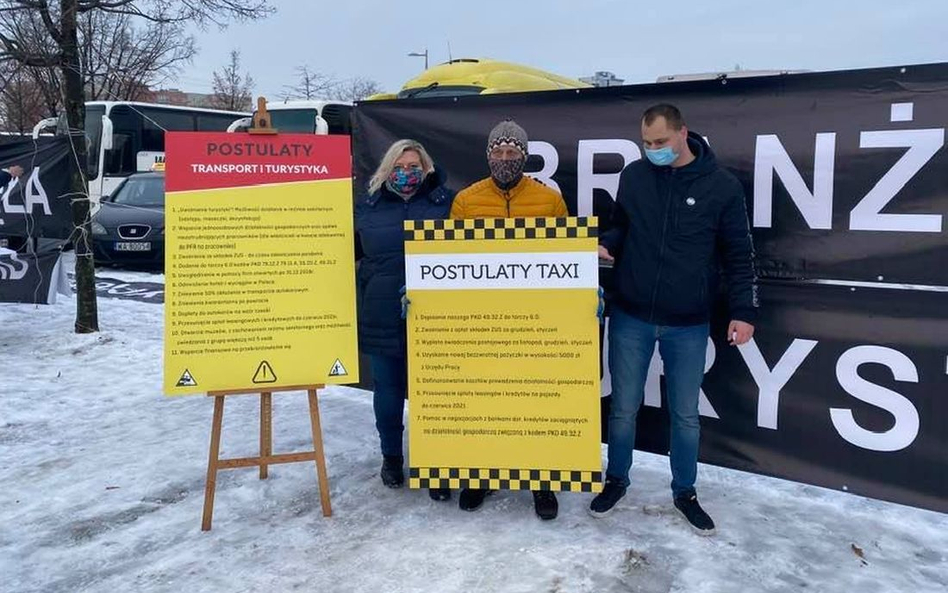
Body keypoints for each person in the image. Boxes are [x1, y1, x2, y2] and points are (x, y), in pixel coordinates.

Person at [590, 104, 758, 535]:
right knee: (623, 408)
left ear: (684, 134)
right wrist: (609, 242)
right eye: (646, 144)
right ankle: (616, 480)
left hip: (688, 322)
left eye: (661, 142)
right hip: (631, 314)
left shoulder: (721, 187)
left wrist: (742, 311)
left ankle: (685, 492)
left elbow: (739, 255)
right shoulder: (634, 176)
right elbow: (621, 225)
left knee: (685, 414)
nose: (653, 151)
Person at [450, 119, 568, 520]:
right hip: (483, 322)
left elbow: (565, 258)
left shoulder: (548, 200)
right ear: (488, 156)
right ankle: (482, 475)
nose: (505, 159)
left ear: (524, 155)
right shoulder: (466, 200)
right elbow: (449, 262)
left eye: (513, 153)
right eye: (498, 153)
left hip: (535, 321)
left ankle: (541, 482)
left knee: (534, 403)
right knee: (486, 401)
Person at [355, 140, 455, 501]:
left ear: (425, 167)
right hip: (381, 310)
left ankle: (438, 466)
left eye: (414, 165)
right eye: (400, 164)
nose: (407, 171)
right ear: (387, 168)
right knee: (388, 390)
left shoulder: (446, 204)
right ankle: (392, 458)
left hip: (434, 313)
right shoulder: (367, 206)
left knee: (434, 393)